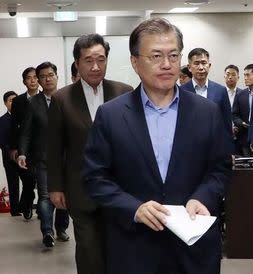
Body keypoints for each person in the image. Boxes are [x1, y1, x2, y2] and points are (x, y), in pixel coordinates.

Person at [82, 18, 232, 274]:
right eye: (156, 56)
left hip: (193, 248)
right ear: (135, 62)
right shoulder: (111, 115)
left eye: (174, 56)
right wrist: (134, 208)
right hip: (134, 247)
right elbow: (94, 177)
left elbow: (220, 169)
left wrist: (202, 197)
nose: (166, 64)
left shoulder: (207, 112)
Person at [47, 34, 133, 274]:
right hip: (80, 188)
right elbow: (54, 148)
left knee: (119, 248)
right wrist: (55, 187)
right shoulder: (62, 99)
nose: (96, 66)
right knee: (89, 251)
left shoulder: (124, 93)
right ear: (77, 63)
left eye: (101, 59)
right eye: (88, 60)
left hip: (120, 188)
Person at [17, 62, 70, 248]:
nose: (47, 79)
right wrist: (22, 153)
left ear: (56, 76)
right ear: (39, 80)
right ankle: (47, 232)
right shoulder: (33, 104)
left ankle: (61, 228)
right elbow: (26, 132)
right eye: (43, 76)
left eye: (51, 75)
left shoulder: (67, 98)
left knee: (65, 195)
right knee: (46, 196)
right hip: (44, 158)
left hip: (66, 158)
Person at [9, 67, 39, 220]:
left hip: (42, 146)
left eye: (35, 77)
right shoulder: (19, 101)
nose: (33, 80)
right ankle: (28, 203)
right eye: (29, 78)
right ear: (24, 81)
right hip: (24, 148)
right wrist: (14, 148)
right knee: (28, 179)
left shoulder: (46, 98)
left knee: (43, 180)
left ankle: (42, 208)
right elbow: (13, 125)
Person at [180, 47, 232, 131]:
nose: (201, 67)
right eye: (196, 63)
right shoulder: (181, 91)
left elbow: (227, 122)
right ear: (189, 67)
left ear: (209, 65)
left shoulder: (221, 90)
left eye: (204, 63)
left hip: (215, 141)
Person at [232, 63, 253, 156]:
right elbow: (234, 115)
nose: (245, 78)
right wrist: (241, 123)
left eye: (248, 75)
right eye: (244, 75)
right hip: (244, 137)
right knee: (246, 168)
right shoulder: (240, 95)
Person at [0, 91, 20, 216]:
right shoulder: (1, 120)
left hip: (26, 156)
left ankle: (28, 206)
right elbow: (1, 141)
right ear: (5, 103)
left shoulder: (24, 117)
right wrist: (12, 152)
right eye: (11, 100)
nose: (13, 103)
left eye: (15, 100)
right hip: (9, 158)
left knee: (32, 182)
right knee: (13, 184)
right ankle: (15, 210)